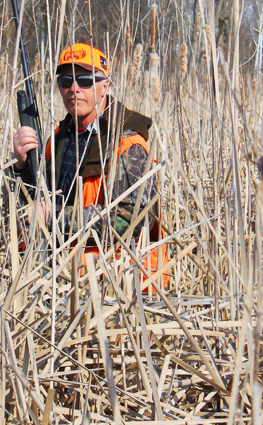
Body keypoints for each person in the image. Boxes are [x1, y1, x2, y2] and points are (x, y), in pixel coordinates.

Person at [13, 42, 165, 273]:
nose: (74, 88)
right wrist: (22, 165)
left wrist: (56, 218)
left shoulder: (127, 143)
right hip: (57, 271)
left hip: (110, 281)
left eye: (85, 81)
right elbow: (38, 200)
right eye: (65, 82)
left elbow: (130, 223)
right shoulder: (57, 138)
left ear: (104, 86)